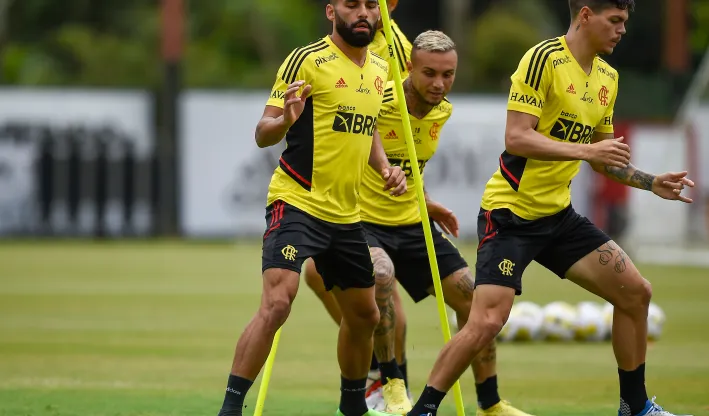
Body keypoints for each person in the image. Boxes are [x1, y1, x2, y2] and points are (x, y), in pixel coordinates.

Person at [405, 1, 696, 416]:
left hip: (558, 218)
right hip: (509, 214)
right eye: (615, 21)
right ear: (585, 15)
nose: (621, 31)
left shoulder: (607, 79)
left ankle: (636, 407)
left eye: (624, 23)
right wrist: (586, 149)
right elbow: (517, 138)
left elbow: (602, 159)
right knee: (487, 321)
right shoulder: (543, 59)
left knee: (636, 293)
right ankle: (425, 409)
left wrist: (651, 182)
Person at [303, 30, 534, 416]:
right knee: (380, 276)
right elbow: (348, 147)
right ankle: (391, 382)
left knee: (474, 299)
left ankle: (490, 403)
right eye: (429, 73)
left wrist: (427, 203)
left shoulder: (443, 111)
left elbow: (412, 166)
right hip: (363, 221)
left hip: (412, 223)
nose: (439, 84)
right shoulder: (380, 100)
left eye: (448, 74)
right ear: (409, 66)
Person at [215, 1, 407, 416]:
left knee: (365, 315)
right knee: (278, 303)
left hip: (345, 213)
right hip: (298, 201)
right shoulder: (307, 60)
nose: (362, 12)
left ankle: (352, 406)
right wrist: (284, 120)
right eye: (351, 4)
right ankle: (230, 409)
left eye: (370, 5)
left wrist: (386, 166)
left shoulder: (379, 68)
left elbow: (368, 126)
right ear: (331, 11)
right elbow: (263, 133)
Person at [302, 0, 414, 409]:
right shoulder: (340, 42)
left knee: (381, 290)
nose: (366, 8)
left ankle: (391, 382)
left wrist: (395, 171)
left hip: (375, 193)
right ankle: (375, 373)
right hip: (342, 190)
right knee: (321, 276)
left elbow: (405, 118)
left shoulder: (393, 47)